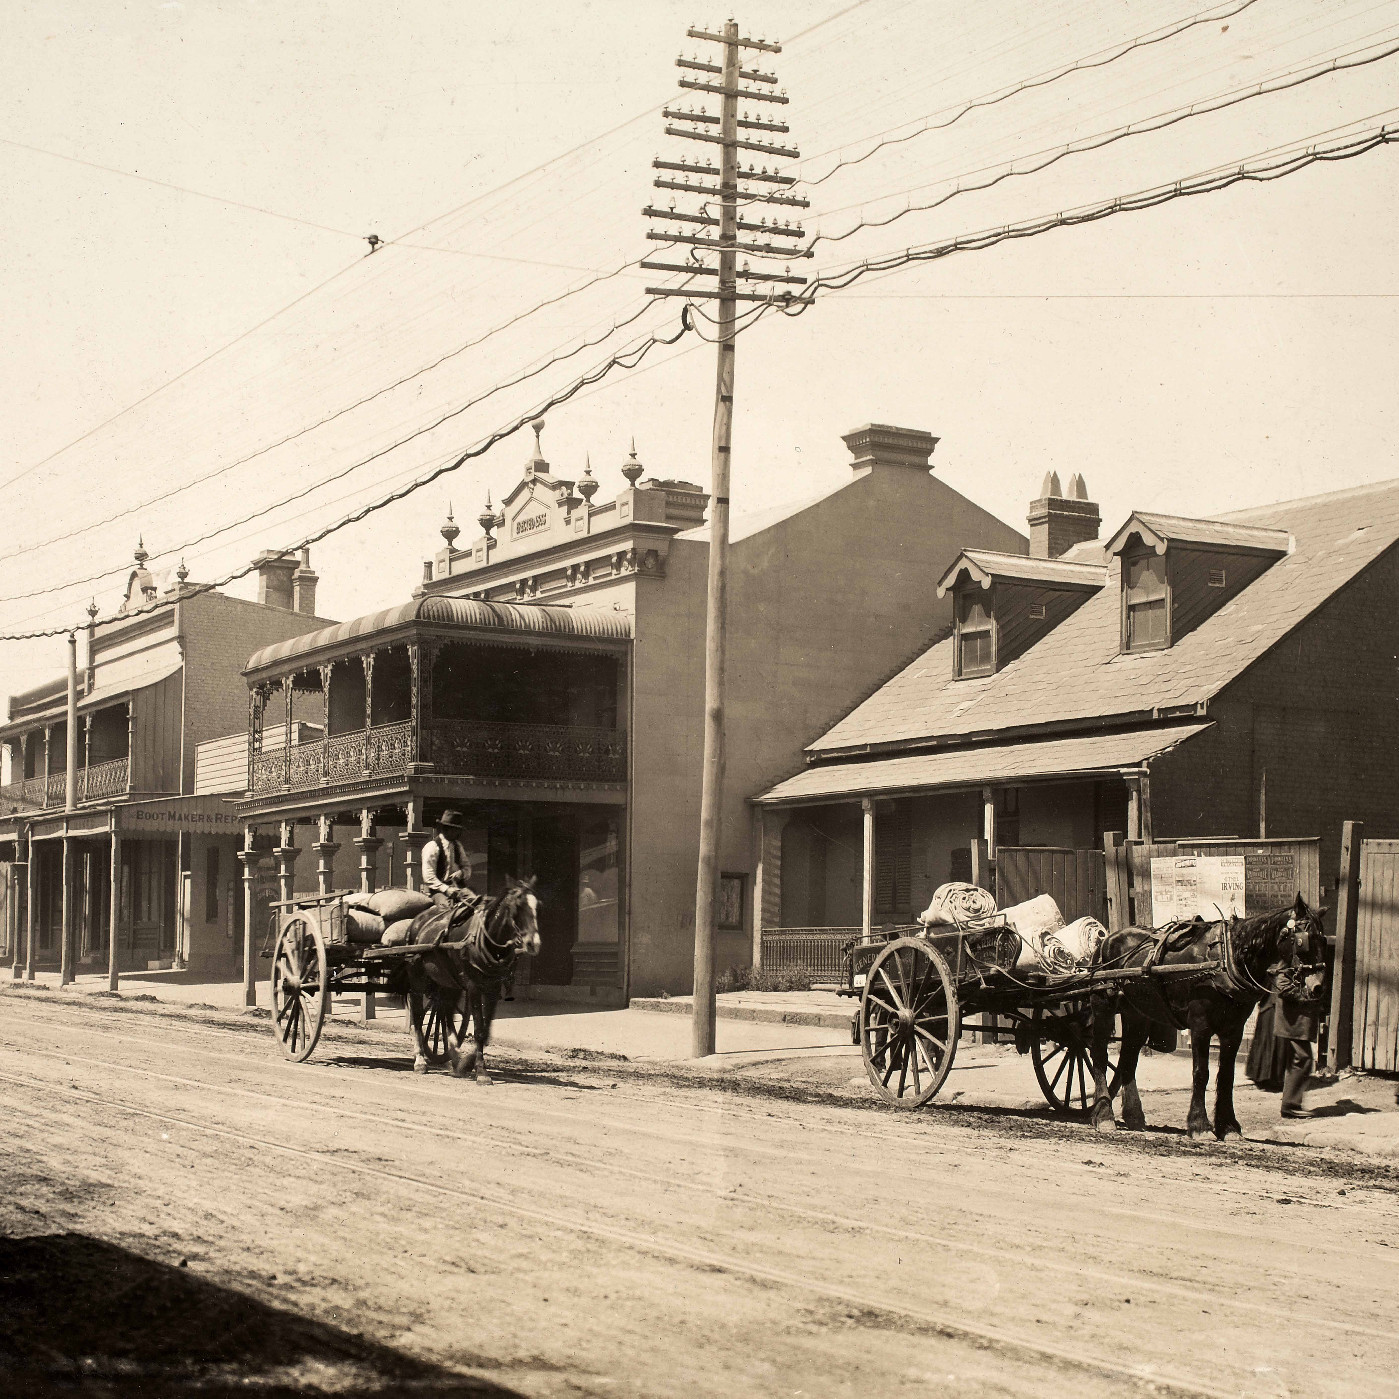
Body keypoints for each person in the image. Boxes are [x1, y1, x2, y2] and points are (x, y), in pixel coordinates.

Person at [422, 810, 479, 915]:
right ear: (447, 830)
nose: (458, 833)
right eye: (455, 830)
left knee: (476, 905)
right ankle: (444, 931)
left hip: (458, 889)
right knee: (447, 912)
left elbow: (467, 867)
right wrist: (446, 889)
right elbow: (428, 876)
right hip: (438, 892)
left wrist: (461, 873)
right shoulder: (432, 846)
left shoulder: (457, 846)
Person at [1274, 990, 1319, 1120]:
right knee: (1302, 1058)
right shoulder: (1286, 968)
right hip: (1293, 1020)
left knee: (1300, 1058)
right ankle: (1290, 1106)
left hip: (1298, 1019)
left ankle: (1291, 1105)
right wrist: (1306, 997)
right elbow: (1282, 986)